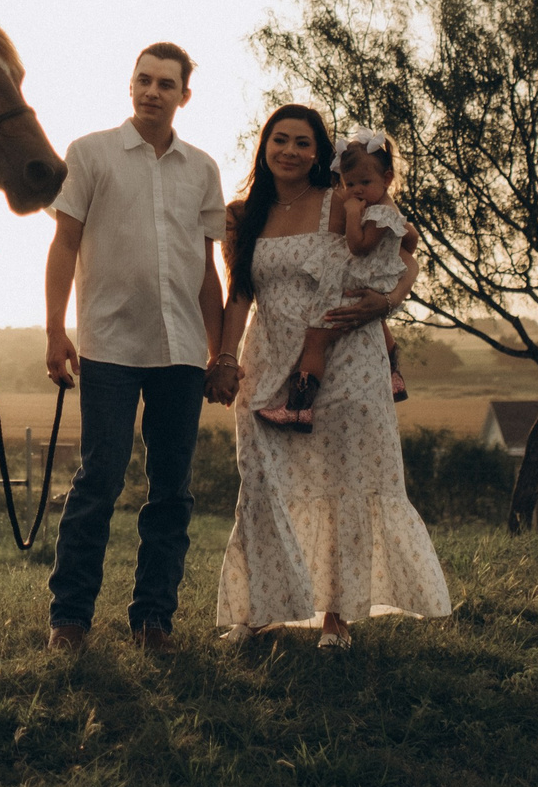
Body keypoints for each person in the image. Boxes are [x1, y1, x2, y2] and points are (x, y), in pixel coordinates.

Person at [211, 110, 450, 643]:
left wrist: (387, 302)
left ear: (321, 153)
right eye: (280, 140)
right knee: (261, 480)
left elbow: (406, 254)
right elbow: (240, 294)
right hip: (269, 358)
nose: (290, 151)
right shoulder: (243, 213)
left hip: (345, 354)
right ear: (264, 145)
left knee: (344, 480)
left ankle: (336, 618)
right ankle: (258, 611)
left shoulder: (344, 198)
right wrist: (225, 359)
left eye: (303, 142)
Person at [42, 43, 230, 654]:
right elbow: (64, 245)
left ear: (184, 95)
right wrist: (54, 330)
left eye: (166, 83)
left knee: (172, 490)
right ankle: (69, 620)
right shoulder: (90, 154)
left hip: (181, 351)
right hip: (109, 346)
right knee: (99, 480)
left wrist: (220, 349)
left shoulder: (201, 169)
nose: (153, 91)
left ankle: (155, 621)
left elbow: (206, 269)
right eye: (143, 80)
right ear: (130, 87)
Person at [253, 127, 406, 430]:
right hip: (366, 283)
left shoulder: (379, 214)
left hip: (354, 286)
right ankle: (395, 376)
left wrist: (351, 214)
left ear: (387, 179)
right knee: (374, 325)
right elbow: (408, 238)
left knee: (314, 340)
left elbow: (359, 246)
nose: (357, 190)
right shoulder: (382, 209)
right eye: (350, 184)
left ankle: (298, 408)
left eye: (365, 182)